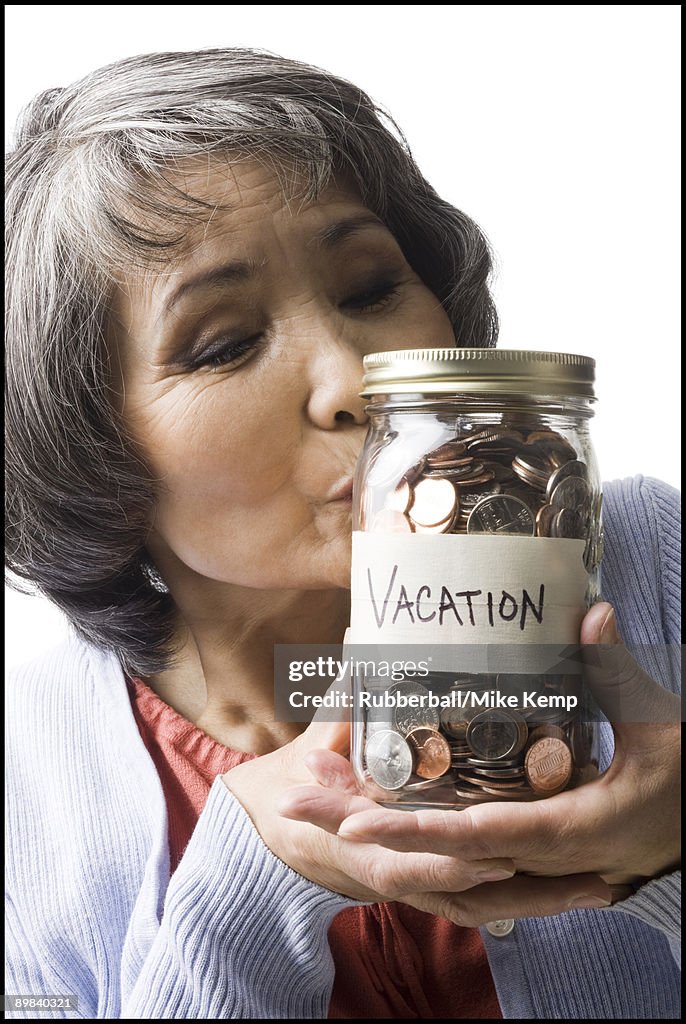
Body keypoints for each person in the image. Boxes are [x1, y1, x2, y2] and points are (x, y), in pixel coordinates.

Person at [5, 48, 680, 1020]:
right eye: (224, 343)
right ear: (92, 458)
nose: (355, 376)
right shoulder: (24, 785)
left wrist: (665, 856)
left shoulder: (649, 563)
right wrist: (256, 866)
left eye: (369, 287)